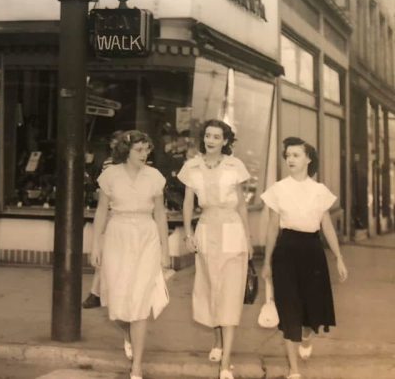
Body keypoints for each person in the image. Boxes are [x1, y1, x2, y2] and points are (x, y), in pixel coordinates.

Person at [261, 137, 348, 379]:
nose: (290, 159)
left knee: (310, 311)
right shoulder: (278, 189)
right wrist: (267, 262)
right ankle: (294, 371)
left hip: (312, 251)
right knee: (289, 310)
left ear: (309, 159)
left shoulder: (319, 191)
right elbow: (271, 228)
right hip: (286, 251)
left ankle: (307, 336)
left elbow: (327, 226)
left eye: (296, 155)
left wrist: (339, 257)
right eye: (287, 155)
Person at [90, 130, 170, 379]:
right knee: (117, 300)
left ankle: (137, 366)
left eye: (147, 149)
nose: (144, 154)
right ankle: (127, 333)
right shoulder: (110, 176)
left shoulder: (155, 177)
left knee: (140, 301)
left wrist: (165, 250)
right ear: (126, 151)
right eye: (139, 150)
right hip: (117, 235)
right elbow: (102, 212)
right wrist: (95, 245)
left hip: (146, 237)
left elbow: (160, 215)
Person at [177, 119, 253, 379]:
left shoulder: (235, 166)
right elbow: (188, 204)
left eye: (217, 137)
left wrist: (249, 238)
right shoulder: (192, 167)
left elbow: (242, 205)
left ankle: (225, 364)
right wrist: (188, 233)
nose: (211, 140)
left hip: (232, 230)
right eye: (208, 135)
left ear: (225, 141)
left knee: (230, 293)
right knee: (211, 288)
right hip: (206, 229)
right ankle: (217, 341)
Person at [83, 130, 124, 309]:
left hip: (123, 214)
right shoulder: (109, 163)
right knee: (106, 253)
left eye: (118, 143)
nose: (114, 147)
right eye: (113, 143)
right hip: (111, 213)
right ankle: (96, 292)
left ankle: (98, 293)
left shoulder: (135, 164)